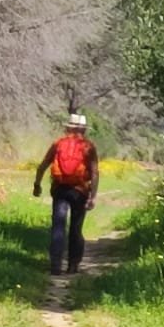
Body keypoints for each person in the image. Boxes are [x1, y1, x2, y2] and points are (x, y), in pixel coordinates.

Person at [33, 113, 99, 276]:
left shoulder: (58, 144)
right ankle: (73, 265)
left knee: (58, 226)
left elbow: (42, 166)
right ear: (84, 129)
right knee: (76, 228)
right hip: (80, 191)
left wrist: (37, 185)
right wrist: (93, 196)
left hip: (60, 189)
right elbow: (95, 172)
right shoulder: (88, 146)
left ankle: (55, 265)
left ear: (68, 127)